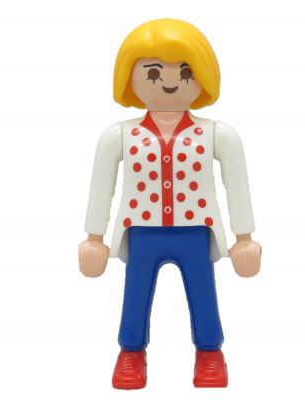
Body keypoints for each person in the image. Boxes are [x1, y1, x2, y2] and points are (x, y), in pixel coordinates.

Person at [78, 18, 261, 389]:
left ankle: (210, 353)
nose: (170, 81)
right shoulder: (119, 135)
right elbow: (101, 185)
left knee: (203, 291)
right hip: (140, 231)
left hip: (196, 231)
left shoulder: (216, 134)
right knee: (135, 292)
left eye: (186, 71)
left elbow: (237, 183)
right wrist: (94, 237)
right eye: (153, 72)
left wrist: (244, 237)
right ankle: (131, 352)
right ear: (128, 77)